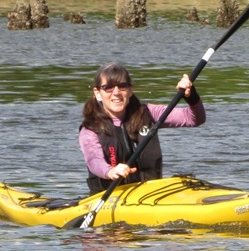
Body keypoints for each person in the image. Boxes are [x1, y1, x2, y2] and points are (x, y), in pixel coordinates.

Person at [79, 62, 206, 194]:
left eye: (122, 86)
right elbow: (93, 160)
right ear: (98, 93)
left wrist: (191, 96)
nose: (116, 93)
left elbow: (193, 119)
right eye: (108, 88)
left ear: (130, 90)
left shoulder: (149, 113)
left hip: (150, 194)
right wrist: (110, 171)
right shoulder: (90, 129)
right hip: (109, 197)